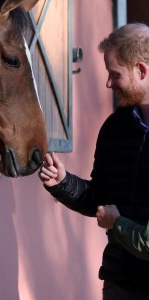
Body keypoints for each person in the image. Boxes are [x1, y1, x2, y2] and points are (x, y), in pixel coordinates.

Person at [39, 23, 149, 300]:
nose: (109, 83)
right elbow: (99, 199)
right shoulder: (113, 129)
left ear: (142, 70)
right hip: (119, 283)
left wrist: (117, 223)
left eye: (115, 74)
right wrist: (63, 183)